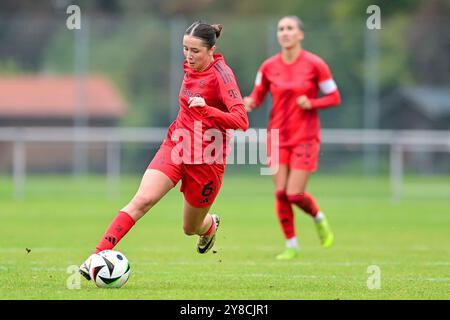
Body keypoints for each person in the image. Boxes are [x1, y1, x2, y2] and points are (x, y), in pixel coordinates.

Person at [79, 21, 249, 279]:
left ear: (211, 50)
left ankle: (209, 226)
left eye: (195, 51)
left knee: (190, 227)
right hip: (177, 144)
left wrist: (208, 111)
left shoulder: (222, 76)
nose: (189, 57)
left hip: (207, 160)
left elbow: (242, 121)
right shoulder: (188, 66)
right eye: (185, 49)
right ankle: (96, 255)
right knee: (142, 200)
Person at [244, 16, 341, 260]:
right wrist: (245, 103)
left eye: (290, 28)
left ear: (300, 35)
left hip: (305, 137)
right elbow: (256, 96)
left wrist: (312, 102)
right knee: (280, 193)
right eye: (281, 29)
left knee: (294, 193)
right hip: (276, 137)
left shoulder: (315, 64)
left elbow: (334, 97)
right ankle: (292, 245)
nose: (285, 32)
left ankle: (318, 217)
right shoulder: (268, 67)